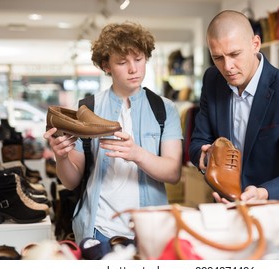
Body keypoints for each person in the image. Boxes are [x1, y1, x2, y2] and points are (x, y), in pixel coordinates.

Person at [44, 22, 183, 244]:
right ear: (106, 66)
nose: (133, 69)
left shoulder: (164, 109)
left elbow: (173, 172)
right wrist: (61, 158)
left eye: (138, 60)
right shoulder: (87, 109)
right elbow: (71, 181)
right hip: (98, 228)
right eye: (122, 62)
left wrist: (137, 154)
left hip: (152, 229)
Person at [189, 10, 279, 203]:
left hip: (271, 208)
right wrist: (206, 158)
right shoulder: (212, 79)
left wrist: (262, 192)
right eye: (218, 58)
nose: (227, 66)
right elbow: (198, 142)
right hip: (224, 205)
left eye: (234, 54)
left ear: (255, 44)